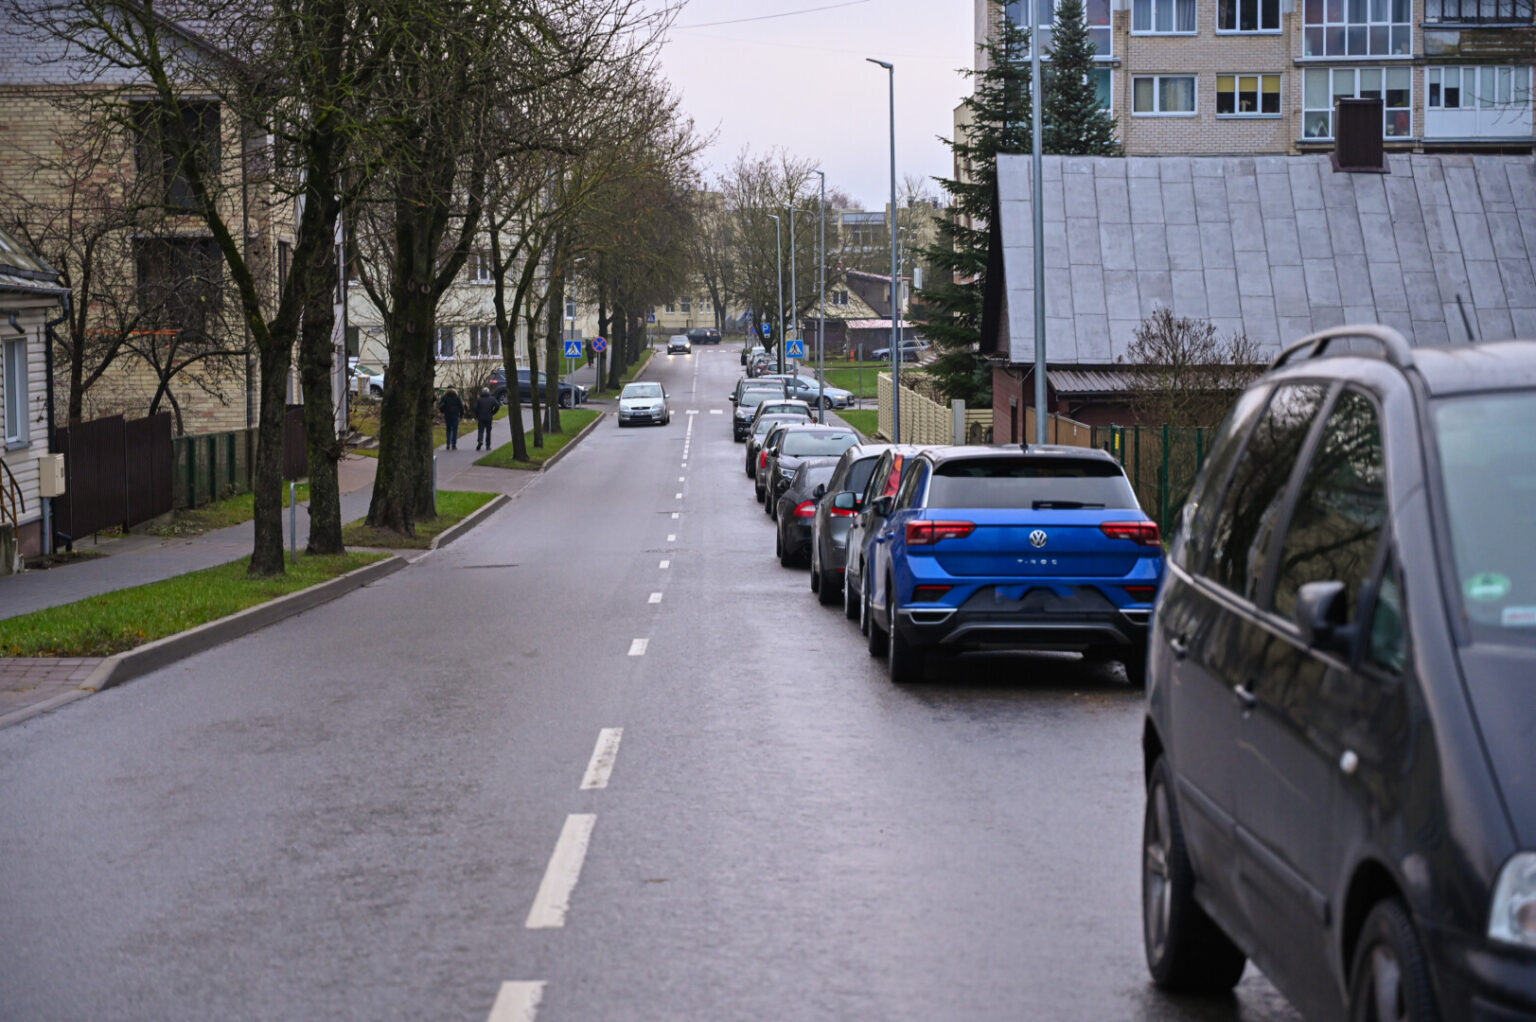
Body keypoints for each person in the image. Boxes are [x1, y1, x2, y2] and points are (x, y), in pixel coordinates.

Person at [473, 386, 498, 451]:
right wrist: (493, 412)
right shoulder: (492, 399)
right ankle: (488, 445)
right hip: (489, 417)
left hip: (481, 417)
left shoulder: (479, 399)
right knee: (488, 432)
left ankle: (480, 440)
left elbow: (475, 407)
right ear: (488, 392)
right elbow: (497, 406)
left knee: (480, 430)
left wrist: (477, 414)